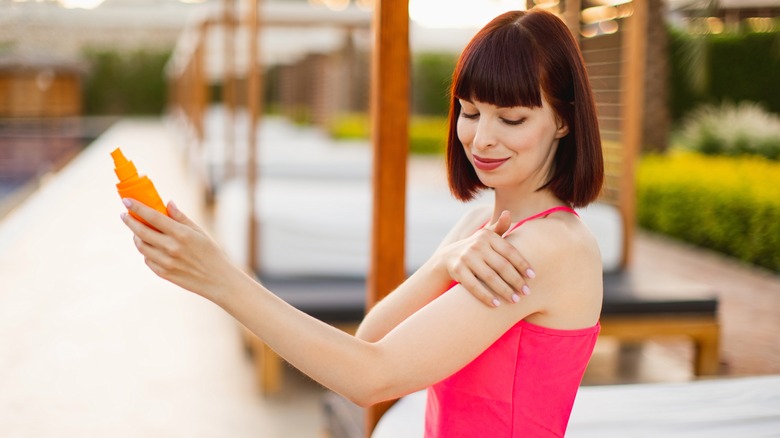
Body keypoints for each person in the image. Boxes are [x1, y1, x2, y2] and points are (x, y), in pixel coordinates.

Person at [121, 8, 603, 437]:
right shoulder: (479, 225)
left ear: (563, 120)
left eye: (511, 119)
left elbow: (371, 378)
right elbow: (371, 338)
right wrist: (442, 263)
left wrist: (220, 278)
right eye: (470, 112)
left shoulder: (550, 247)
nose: (481, 139)